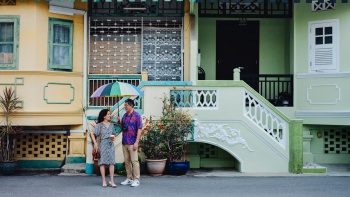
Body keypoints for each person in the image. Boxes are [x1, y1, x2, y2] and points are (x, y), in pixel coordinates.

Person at [117, 99, 142, 187]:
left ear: (131, 105)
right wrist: (119, 122)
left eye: (126, 105)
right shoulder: (124, 116)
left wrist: (136, 142)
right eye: (124, 105)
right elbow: (123, 128)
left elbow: (139, 129)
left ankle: (137, 179)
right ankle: (129, 178)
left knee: (134, 161)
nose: (125, 106)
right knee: (127, 161)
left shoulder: (137, 116)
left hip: (132, 142)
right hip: (125, 142)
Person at [91, 109, 117, 188]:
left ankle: (112, 181)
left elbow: (114, 135)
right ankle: (104, 180)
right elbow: (92, 133)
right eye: (108, 114)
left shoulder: (112, 125)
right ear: (104, 116)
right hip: (102, 145)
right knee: (102, 163)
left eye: (110, 114)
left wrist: (113, 138)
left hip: (110, 145)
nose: (110, 115)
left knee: (112, 163)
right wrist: (95, 143)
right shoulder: (100, 125)